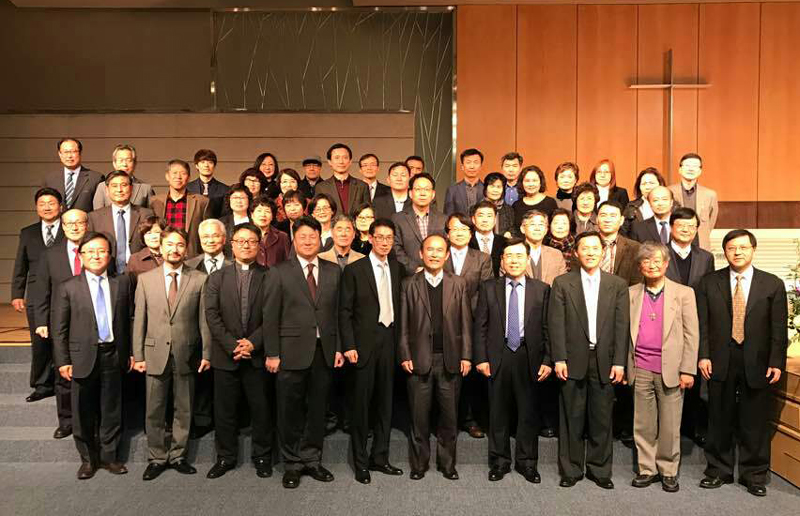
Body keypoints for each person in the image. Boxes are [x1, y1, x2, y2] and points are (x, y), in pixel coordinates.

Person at [696, 230, 787, 497]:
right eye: (731, 248)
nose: (737, 252)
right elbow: (702, 324)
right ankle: (718, 470)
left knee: (754, 419)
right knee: (718, 417)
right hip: (719, 358)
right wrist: (703, 355)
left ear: (753, 250)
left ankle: (754, 474)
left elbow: (778, 327)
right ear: (724, 252)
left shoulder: (772, 283)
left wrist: (776, 361)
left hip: (757, 360)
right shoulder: (708, 282)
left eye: (743, 247)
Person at [264, 216, 345, 489]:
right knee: (290, 410)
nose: (308, 241)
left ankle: (312, 459)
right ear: (294, 240)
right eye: (303, 237)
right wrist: (272, 353)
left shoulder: (333, 270)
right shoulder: (279, 272)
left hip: (324, 351)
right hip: (289, 352)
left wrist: (339, 347)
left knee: (318, 409)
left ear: (320, 239)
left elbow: (338, 313)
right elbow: (270, 316)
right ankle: (292, 463)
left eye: (313, 236)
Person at [549, 230, 630, 489]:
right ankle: (571, 470)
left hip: (605, 360)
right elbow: (556, 323)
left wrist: (620, 362)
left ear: (603, 252)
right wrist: (559, 358)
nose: (591, 252)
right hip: (571, 359)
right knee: (571, 417)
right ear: (576, 252)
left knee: (602, 418)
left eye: (596, 248)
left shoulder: (617, 284)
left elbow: (622, 326)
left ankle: (599, 470)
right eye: (585, 248)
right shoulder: (562, 283)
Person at [132, 226, 211, 481]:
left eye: (179, 245)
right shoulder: (146, 279)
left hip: (186, 352)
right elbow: (139, 320)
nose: (174, 249)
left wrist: (206, 353)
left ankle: (178, 455)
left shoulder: (199, 279)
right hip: (154, 353)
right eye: (169, 244)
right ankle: (156, 457)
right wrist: (138, 355)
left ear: (186, 249)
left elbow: (204, 321)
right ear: (161, 247)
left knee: (183, 408)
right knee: (154, 409)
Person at [52, 232, 133, 479]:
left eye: (102, 251)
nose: (97, 256)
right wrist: (63, 361)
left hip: (113, 354)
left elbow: (128, 321)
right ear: (81, 255)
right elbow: (59, 329)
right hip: (81, 357)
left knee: (112, 408)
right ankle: (88, 459)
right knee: (83, 410)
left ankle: (110, 457)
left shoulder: (122, 284)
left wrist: (130, 352)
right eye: (91, 251)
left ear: (109, 255)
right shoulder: (68, 287)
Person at [473, 236, 552, 483]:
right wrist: (481, 358)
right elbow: (480, 326)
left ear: (527, 259)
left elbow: (548, 328)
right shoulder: (488, 287)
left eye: (519, 256)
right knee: (498, 412)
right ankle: (499, 462)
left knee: (528, 412)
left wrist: (548, 360)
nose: (514, 260)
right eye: (509, 256)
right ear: (502, 260)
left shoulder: (542, 289)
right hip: (499, 355)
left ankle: (527, 463)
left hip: (529, 356)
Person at [399, 234, 472, 480]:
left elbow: (466, 323)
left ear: (447, 255)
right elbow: (403, 324)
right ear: (421, 253)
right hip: (418, 358)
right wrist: (405, 354)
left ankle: (447, 464)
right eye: (429, 249)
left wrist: (466, 356)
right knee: (418, 417)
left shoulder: (458, 283)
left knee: (449, 417)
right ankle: (419, 464)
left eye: (440, 250)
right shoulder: (409, 284)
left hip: (450, 359)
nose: (434, 254)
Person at [628, 243, 699, 493]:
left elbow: (692, 334)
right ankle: (646, 468)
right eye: (646, 261)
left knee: (670, 425)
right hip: (640, 367)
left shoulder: (684, 293)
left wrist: (688, 369)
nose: (652, 265)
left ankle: (668, 470)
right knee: (643, 423)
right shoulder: (631, 293)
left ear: (666, 264)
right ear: (640, 266)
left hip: (672, 369)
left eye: (657, 260)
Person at [204, 223, 273, 480]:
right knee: (224, 411)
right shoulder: (217, 277)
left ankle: (263, 456)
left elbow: (273, 315)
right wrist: (233, 345)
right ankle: (225, 457)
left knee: (262, 409)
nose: (246, 245)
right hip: (226, 355)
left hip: (258, 355)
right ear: (231, 245)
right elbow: (212, 315)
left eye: (252, 241)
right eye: (241, 241)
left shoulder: (270, 276)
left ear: (259, 246)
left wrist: (253, 343)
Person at [338, 218, 405, 484]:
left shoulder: (398, 269)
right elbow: (344, 311)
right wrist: (349, 345)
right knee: (362, 405)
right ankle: (361, 462)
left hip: (390, 340)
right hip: (363, 344)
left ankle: (380, 457)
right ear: (370, 238)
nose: (385, 242)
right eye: (380, 237)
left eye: (389, 238)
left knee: (385, 404)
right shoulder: (355, 270)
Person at [32, 208, 87, 438]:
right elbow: (41, 291)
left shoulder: (96, 250)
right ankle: (66, 421)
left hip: (89, 322)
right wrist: (41, 321)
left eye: (79, 222)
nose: (74, 227)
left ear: (86, 225)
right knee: (63, 373)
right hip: (60, 323)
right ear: (63, 227)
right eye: (69, 223)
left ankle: (89, 419)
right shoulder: (50, 254)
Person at [665, 208, 715, 446]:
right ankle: (669, 429)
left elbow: (710, 290)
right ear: (671, 227)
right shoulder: (659, 252)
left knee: (693, 373)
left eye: (691, 226)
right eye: (681, 225)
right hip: (665, 322)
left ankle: (693, 427)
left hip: (695, 320)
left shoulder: (705, 257)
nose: (686, 230)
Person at [12, 188, 63, 406]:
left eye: (51, 203)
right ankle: (42, 385)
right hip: (36, 295)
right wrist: (17, 294)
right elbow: (20, 265)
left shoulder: (69, 229)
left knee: (61, 339)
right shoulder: (28, 232)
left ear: (60, 206)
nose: (47, 207)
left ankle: (63, 382)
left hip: (63, 293)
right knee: (39, 342)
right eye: (42, 204)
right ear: (36, 208)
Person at [184, 218, 233, 438]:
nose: (210, 240)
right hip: (196, 331)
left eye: (215, 236)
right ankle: (202, 420)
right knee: (201, 379)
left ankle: (228, 421)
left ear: (224, 239)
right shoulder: (189, 265)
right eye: (205, 236)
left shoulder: (234, 265)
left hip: (227, 331)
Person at [445, 213, 492, 439]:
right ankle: (446, 419)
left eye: (464, 229)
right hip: (442, 323)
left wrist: (466, 313)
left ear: (471, 233)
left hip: (472, 322)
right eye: (454, 229)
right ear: (447, 234)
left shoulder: (482, 258)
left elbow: (485, 292)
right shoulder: (439, 254)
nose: (459, 233)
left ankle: (469, 419)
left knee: (470, 375)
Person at [87, 171, 154, 274]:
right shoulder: (94, 217)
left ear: (131, 188)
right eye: (114, 186)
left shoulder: (146, 214)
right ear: (107, 190)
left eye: (124, 185)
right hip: (107, 273)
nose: (119, 190)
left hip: (139, 271)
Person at [150, 159, 209, 258]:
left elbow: (206, 232)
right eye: (174, 173)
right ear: (167, 176)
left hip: (191, 257)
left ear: (189, 177)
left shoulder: (201, 202)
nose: (178, 177)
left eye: (183, 173)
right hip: (163, 256)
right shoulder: (155, 202)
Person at [392, 173, 447, 275]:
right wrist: (414, 268)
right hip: (408, 276)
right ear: (410, 193)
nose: (422, 193)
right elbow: (396, 248)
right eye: (418, 189)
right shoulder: (398, 219)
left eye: (427, 189)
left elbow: (447, 247)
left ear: (433, 194)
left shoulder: (443, 219)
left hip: (438, 275)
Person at [668, 153, 718, 251]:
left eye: (695, 166)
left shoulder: (710, 195)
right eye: (687, 165)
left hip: (700, 244)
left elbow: (711, 222)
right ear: (680, 169)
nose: (691, 169)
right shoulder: (669, 192)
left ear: (700, 171)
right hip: (674, 242)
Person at [41, 138, 103, 213]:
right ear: (60, 154)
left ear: (80, 153)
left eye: (73, 152)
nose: (69, 156)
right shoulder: (50, 179)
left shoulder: (96, 178)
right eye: (66, 152)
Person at [93, 144, 155, 209]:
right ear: (114, 163)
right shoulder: (102, 187)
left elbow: (151, 213)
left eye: (128, 160)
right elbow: (98, 213)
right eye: (121, 160)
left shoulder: (145, 188)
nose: (124, 164)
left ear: (135, 163)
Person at [315, 143, 369, 215]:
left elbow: (368, 213)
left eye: (345, 157)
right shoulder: (321, 187)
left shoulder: (362, 186)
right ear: (330, 162)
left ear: (350, 161)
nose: (341, 161)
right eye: (337, 158)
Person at [597, 201, 642, 286]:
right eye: (603, 215)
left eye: (613, 216)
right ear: (596, 219)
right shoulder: (585, 244)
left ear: (621, 220)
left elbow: (637, 283)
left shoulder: (635, 248)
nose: (607, 220)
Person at [518, 210, 568, 286]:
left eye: (541, 224)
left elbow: (564, 284)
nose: (537, 228)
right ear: (522, 229)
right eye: (532, 224)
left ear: (546, 230)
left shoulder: (556, 255)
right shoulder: (512, 254)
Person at [187, 149, 229, 219]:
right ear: (196, 165)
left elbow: (226, 215)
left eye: (210, 162)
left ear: (214, 166)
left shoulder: (225, 189)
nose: (206, 165)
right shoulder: (188, 188)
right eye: (202, 162)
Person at [623, 167, 666, 235]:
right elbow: (624, 232)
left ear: (660, 184)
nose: (647, 187)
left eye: (651, 183)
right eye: (643, 184)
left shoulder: (671, 205)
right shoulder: (631, 207)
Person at [250, 196, 290, 267]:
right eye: (259, 211)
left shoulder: (282, 237)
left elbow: (288, 264)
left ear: (272, 217)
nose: (263, 215)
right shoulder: (244, 235)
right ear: (252, 215)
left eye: (267, 211)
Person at [445, 148, 485, 216]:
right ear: (462, 167)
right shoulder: (452, 190)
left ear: (481, 166)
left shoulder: (486, 189)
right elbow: (448, 216)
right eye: (468, 162)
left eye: (476, 162)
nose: (472, 166)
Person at [126, 217, 166, 283]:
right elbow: (130, 285)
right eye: (149, 233)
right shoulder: (134, 259)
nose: (153, 237)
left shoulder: (172, 255)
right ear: (143, 236)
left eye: (157, 232)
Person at [469, 200, 503, 277]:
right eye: (481, 216)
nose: (485, 220)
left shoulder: (504, 242)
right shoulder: (467, 242)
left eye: (489, 216)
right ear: (473, 219)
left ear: (495, 220)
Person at [219, 184, 253, 254]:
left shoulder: (255, 221)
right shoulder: (221, 223)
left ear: (249, 200)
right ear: (229, 200)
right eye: (235, 198)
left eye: (242, 198)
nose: (239, 201)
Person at [483, 172, 515, 236]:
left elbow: (513, 229)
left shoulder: (509, 210)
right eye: (492, 186)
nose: (495, 190)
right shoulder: (477, 208)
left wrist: (510, 233)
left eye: (499, 187)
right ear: (485, 188)